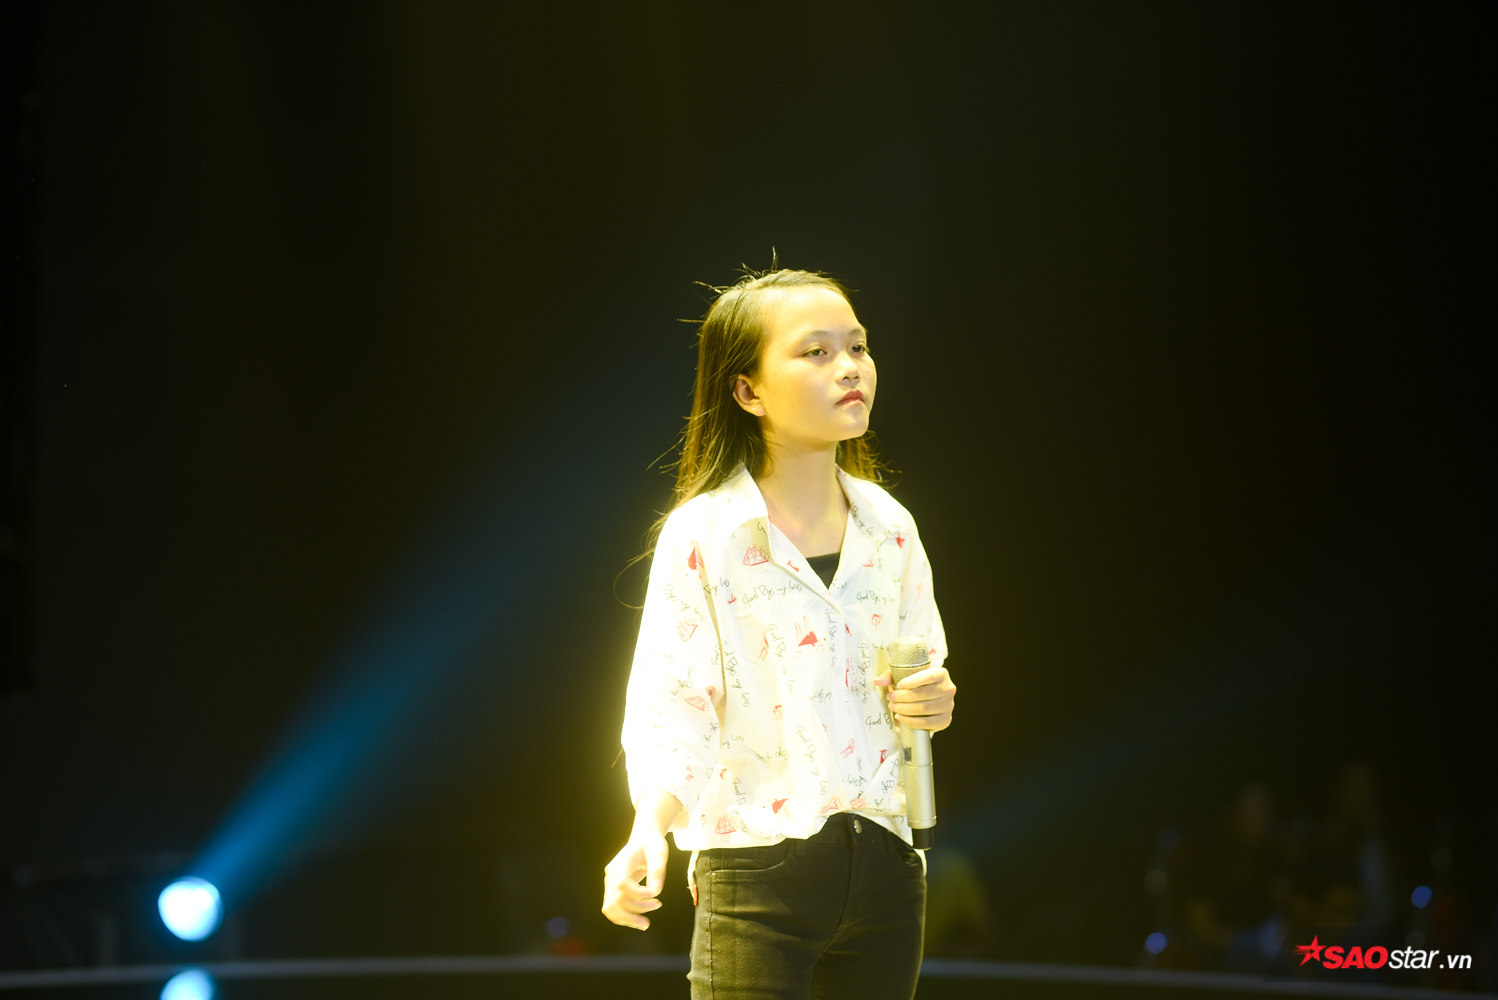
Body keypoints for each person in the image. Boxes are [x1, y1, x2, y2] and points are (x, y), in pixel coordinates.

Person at [601, 265, 958, 999]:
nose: (849, 367)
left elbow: (923, 677)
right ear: (748, 390)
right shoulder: (706, 534)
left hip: (887, 864)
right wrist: (647, 828)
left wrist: (934, 700)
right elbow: (676, 702)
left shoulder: (890, 527)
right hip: (757, 869)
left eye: (857, 346)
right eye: (816, 352)